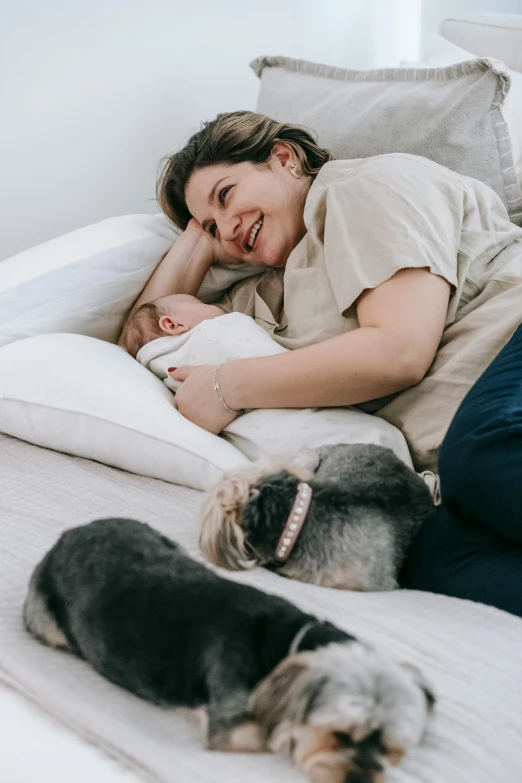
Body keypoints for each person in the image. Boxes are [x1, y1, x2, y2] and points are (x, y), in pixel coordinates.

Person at [120, 110, 522, 617]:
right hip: (455, 460)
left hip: (510, 353)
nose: (228, 227)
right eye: (213, 226)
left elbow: (399, 351)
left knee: (482, 459)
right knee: (429, 555)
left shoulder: (363, 188)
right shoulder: (260, 300)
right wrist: (201, 229)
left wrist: (227, 386)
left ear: (284, 158)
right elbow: (147, 330)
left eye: (227, 194)